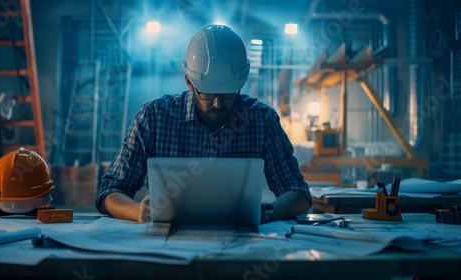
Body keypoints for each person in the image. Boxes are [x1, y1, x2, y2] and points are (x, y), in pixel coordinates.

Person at [95, 24, 312, 223]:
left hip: (236, 247)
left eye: (228, 94)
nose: (218, 103)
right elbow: (110, 191)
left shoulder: (262, 120)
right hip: (167, 248)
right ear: (189, 82)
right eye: (209, 94)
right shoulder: (154, 116)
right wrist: (137, 211)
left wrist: (265, 211)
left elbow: (298, 193)